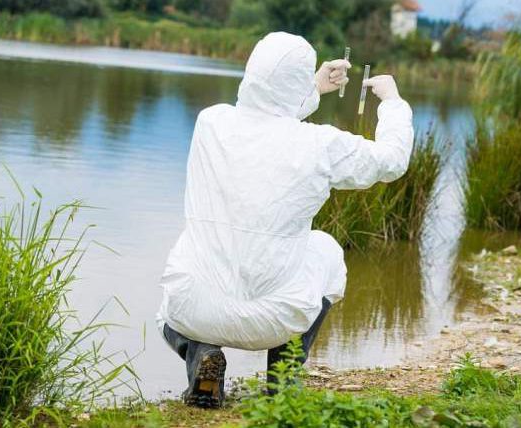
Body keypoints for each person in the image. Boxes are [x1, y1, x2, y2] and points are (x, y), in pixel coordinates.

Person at [156, 31, 414, 408]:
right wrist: (392, 102)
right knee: (326, 250)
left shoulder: (210, 122)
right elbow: (392, 161)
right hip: (275, 321)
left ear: (251, 72)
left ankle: (201, 356)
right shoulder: (320, 144)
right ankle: (282, 379)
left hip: (194, 313)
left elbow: (264, 121)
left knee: (182, 264)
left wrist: (313, 88)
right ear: (296, 84)